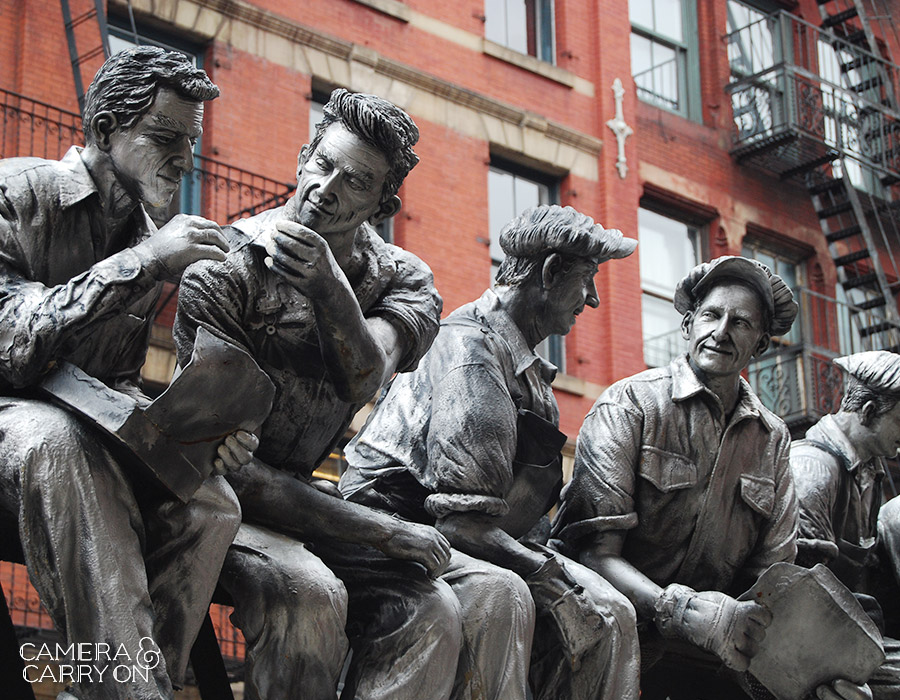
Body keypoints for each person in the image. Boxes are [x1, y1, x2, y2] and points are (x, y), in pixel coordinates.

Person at [173, 89, 461, 700]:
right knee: (311, 596)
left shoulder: (402, 280)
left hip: (300, 500)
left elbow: (365, 377)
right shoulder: (223, 266)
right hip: (208, 500)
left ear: (382, 204)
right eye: (322, 164)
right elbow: (224, 466)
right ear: (303, 156)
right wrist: (382, 530)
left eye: (354, 182)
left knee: (432, 608)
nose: (326, 188)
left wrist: (331, 289)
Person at [0, 46, 253, 700]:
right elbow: (12, 343)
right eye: (166, 138)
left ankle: (118, 690)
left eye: (190, 142)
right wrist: (141, 263)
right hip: (15, 423)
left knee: (210, 501)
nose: (185, 160)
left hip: (78, 438)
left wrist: (195, 437)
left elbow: (114, 388)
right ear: (106, 128)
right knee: (60, 443)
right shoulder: (18, 192)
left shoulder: (144, 235)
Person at [341, 204, 641, 700]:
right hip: (393, 533)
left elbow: (524, 517)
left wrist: (558, 571)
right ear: (548, 273)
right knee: (503, 596)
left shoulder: (530, 373)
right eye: (586, 279)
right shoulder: (470, 352)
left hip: (462, 538)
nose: (592, 298)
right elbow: (462, 523)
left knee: (614, 612)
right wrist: (550, 580)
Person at [552, 255, 870, 700]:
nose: (721, 332)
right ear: (688, 325)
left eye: (740, 323)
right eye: (711, 315)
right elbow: (591, 554)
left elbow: (769, 583)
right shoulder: (629, 404)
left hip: (714, 655)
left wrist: (815, 670)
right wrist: (682, 611)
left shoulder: (773, 438)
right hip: (611, 640)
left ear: (760, 345)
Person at [792, 350, 900, 699]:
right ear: (868, 412)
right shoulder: (813, 469)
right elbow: (800, 596)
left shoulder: (871, 473)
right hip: (812, 645)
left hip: (855, 632)